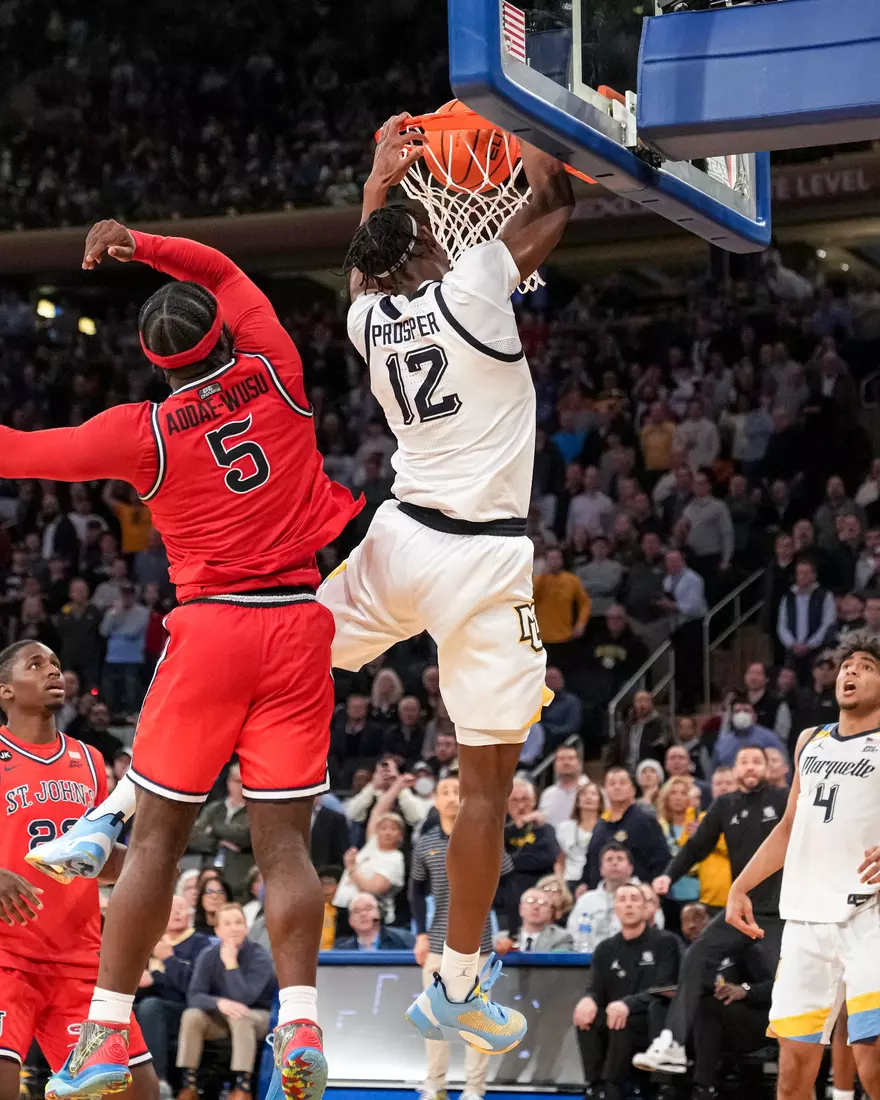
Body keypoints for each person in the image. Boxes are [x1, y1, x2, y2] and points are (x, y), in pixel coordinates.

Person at [21, 218, 362, 1100]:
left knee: (156, 842)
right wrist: (139, 242)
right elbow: (223, 268)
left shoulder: (143, 432)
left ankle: (103, 1034)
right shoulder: (276, 365)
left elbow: (20, 452)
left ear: (155, 361)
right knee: (285, 847)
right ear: (223, 333)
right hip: (299, 622)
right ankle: (300, 1023)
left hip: (213, 629)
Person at [325, 115, 576, 1057]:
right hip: (482, 562)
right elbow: (552, 199)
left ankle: (122, 804)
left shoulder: (367, 320)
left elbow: (367, 267)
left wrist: (377, 185)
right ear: (430, 246)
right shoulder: (470, 286)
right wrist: (535, 118)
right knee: (486, 787)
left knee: (267, 651)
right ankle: (458, 985)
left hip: (398, 541)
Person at [0, 641, 157, 1100]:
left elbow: (94, 858)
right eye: (36, 665)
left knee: (140, 1092)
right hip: (7, 956)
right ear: (5, 690)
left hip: (80, 959)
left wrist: (148, 862)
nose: (52, 671)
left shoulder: (89, 759)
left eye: (55, 663)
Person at [725, 635, 880, 1100]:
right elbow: (791, 825)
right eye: (846, 665)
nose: (850, 672)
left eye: (866, 666)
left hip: (869, 915)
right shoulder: (810, 741)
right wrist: (740, 886)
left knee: (873, 1061)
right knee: (793, 1072)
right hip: (806, 921)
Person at [636, 746, 788, 1074]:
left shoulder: (784, 799)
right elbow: (696, 846)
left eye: (757, 761)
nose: (750, 767)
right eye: (744, 761)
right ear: (734, 770)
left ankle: (804, 1052)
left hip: (782, 911)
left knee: (788, 979)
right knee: (697, 955)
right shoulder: (725, 804)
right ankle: (674, 1042)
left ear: (768, 768)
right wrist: (668, 875)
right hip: (741, 909)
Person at [411, 776, 509, 1100]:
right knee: (433, 1017)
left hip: (480, 944)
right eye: (445, 792)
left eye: (458, 791)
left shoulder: (486, 836)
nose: (453, 797)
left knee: (476, 1017)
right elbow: (415, 891)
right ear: (435, 801)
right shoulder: (425, 843)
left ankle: (474, 1087)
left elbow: (507, 883)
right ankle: (435, 1083)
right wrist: (420, 934)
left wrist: (506, 929)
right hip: (438, 941)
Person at [573, 883, 680, 1100]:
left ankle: (611, 1086)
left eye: (634, 899)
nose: (628, 904)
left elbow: (666, 988)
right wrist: (588, 999)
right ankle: (595, 1086)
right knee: (586, 1019)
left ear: (645, 907)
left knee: (622, 1020)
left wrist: (628, 1004)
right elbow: (595, 988)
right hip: (615, 1013)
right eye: (622, 899)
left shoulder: (665, 942)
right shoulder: (605, 948)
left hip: (651, 1017)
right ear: (615, 908)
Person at [177, 903, 275, 1100]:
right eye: (227, 924)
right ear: (218, 931)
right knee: (192, 1015)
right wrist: (219, 1003)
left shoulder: (260, 956)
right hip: (222, 1016)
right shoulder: (208, 955)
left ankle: (242, 1087)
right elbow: (194, 995)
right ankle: (189, 1084)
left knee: (240, 1016)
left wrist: (231, 964)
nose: (234, 928)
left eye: (238, 923)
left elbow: (245, 999)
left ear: (246, 928)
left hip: (258, 1016)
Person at [134, 895, 212, 1097]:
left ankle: (159, 1083)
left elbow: (193, 986)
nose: (176, 912)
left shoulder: (201, 944)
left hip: (185, 1009)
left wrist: (166, 962)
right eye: (171, 908)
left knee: (151, 1007)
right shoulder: (147, 941)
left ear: (190, 914)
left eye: (181, 908)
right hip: (148, 1005)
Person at [581, 767, 669, 889]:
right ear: (605, 791)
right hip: (600, 894)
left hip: (636, 894)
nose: (617, 787)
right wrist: (583, 883)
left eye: (622, 783)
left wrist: (653, 890)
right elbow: (591, 861)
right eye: (612, 784)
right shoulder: (600, 826)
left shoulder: (646, 821)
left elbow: (661, 859)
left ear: (632, 790)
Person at [186, 763, 253, 901]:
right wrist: (219, 843)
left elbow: (244, 835)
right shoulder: (214, 809)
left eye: (245, 783)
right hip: (210, 877)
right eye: (237, 781)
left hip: (240, 880)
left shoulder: (253, 812)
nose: (241, 786)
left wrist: (213, 829)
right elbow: (193, 836)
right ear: (229, 782)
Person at [566, 843, 635, 954]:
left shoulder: (641, 897)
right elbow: (572, 933)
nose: (614, 863)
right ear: (601, 870)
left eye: (620, 859)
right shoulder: (586, 900)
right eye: (609, 859)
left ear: (630, 868)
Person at [776, 558, 836, 684]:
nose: (803, 576)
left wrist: (810, 644)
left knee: (815, 683)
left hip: (817, 649)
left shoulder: (825, 596)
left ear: (814, 575)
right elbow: (782, 624)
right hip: (793, 650)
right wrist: (792, 644)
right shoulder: (788, 597)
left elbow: (827, 623)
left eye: (806, 573)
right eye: (800, 573)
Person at [712, 696, 788, 769]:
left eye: (747, 711)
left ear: (754, 716)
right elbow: (715, 772)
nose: (742, 714)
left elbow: (784, 767)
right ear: (731, 717)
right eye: (737, 711)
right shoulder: (723, 743)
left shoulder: (770, 739)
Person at [556, 782, 603, 888]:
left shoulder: (606, 828)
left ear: (600, 802)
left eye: (593, 794)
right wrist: (560, 882)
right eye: (584, 794)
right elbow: (559, 861)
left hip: (597, 880)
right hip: (569, 880)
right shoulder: (564, 827)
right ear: (577, 801)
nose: (588, 797)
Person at [333, 893, 415, 951]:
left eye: (368, 908)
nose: (363, 914)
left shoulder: (403, 939)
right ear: (350, 920)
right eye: (357, 911)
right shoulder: (341, 949)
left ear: (380, 913)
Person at [538, 743, 587, 827]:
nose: (566, 762)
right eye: (561, 759)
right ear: (555, 765)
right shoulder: (547, 794)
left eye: (571, 758)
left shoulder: (593, 793)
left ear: (579, 763)